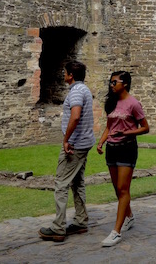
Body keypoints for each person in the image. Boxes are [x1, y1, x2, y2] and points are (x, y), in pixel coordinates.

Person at [39, 60, 95, 242]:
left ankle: (58, 228)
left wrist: (66, 140)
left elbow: (76, 115)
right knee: (77, 182)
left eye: (65, 72)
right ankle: (81, 220)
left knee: (61, 184)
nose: (63, 75)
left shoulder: (77, 92)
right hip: (84, 142)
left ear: (71, 75)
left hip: (75, 145)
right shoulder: (84, 89)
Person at [96, 71, 150, 247]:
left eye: (114, 82)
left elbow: (145, 128)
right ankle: (129, 217)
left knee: (123, 188)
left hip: (127, 148)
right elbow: (109, 127)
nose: (111, 85)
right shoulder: (112, 103)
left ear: (124, 83)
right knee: (118, 190)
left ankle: (116, 232)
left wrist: (126, 132)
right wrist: (101, 142)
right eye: (110, 82)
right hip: (112, 149)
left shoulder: (133, 103)